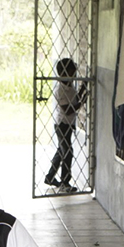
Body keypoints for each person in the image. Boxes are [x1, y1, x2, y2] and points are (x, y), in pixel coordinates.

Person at [43, 57, 88, 193]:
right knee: (67, 152)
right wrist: (82, 102)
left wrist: (82, 90)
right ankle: (65, 183)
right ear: (63, 73)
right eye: (71, 72)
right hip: (62, 125)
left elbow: (74, 99)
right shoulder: (60, 90)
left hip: (67, 124)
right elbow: (68, 109)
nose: (74, 75)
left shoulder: (69, 86)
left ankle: (50, 177)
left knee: (62, 150)